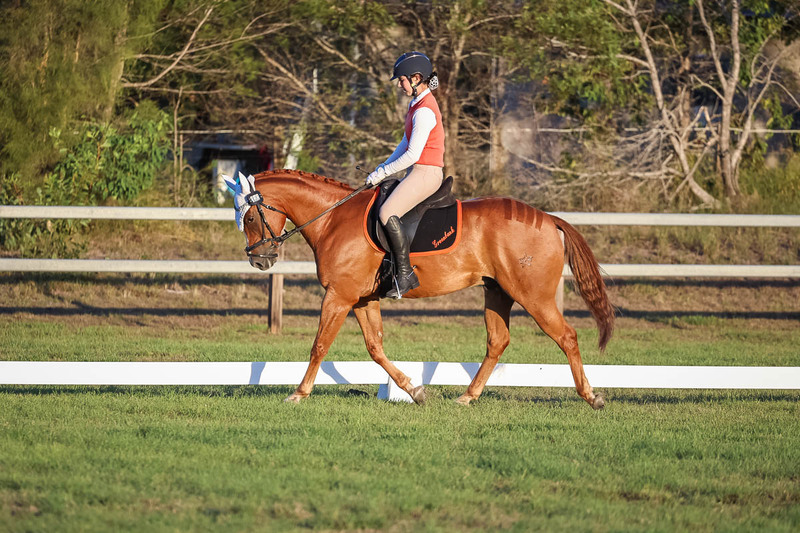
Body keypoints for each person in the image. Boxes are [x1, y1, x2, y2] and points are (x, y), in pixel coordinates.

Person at [366, 51, 445, 298]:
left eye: (401, 80)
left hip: (427, 173)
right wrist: (381, 169)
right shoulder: (416, 104)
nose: (400, 85)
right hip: (417, 171)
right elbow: (404, 142)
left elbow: (412, 155)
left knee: (387, 212)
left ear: (416, 78)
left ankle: (405, 274)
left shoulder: (424, 110)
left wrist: (384, 172)